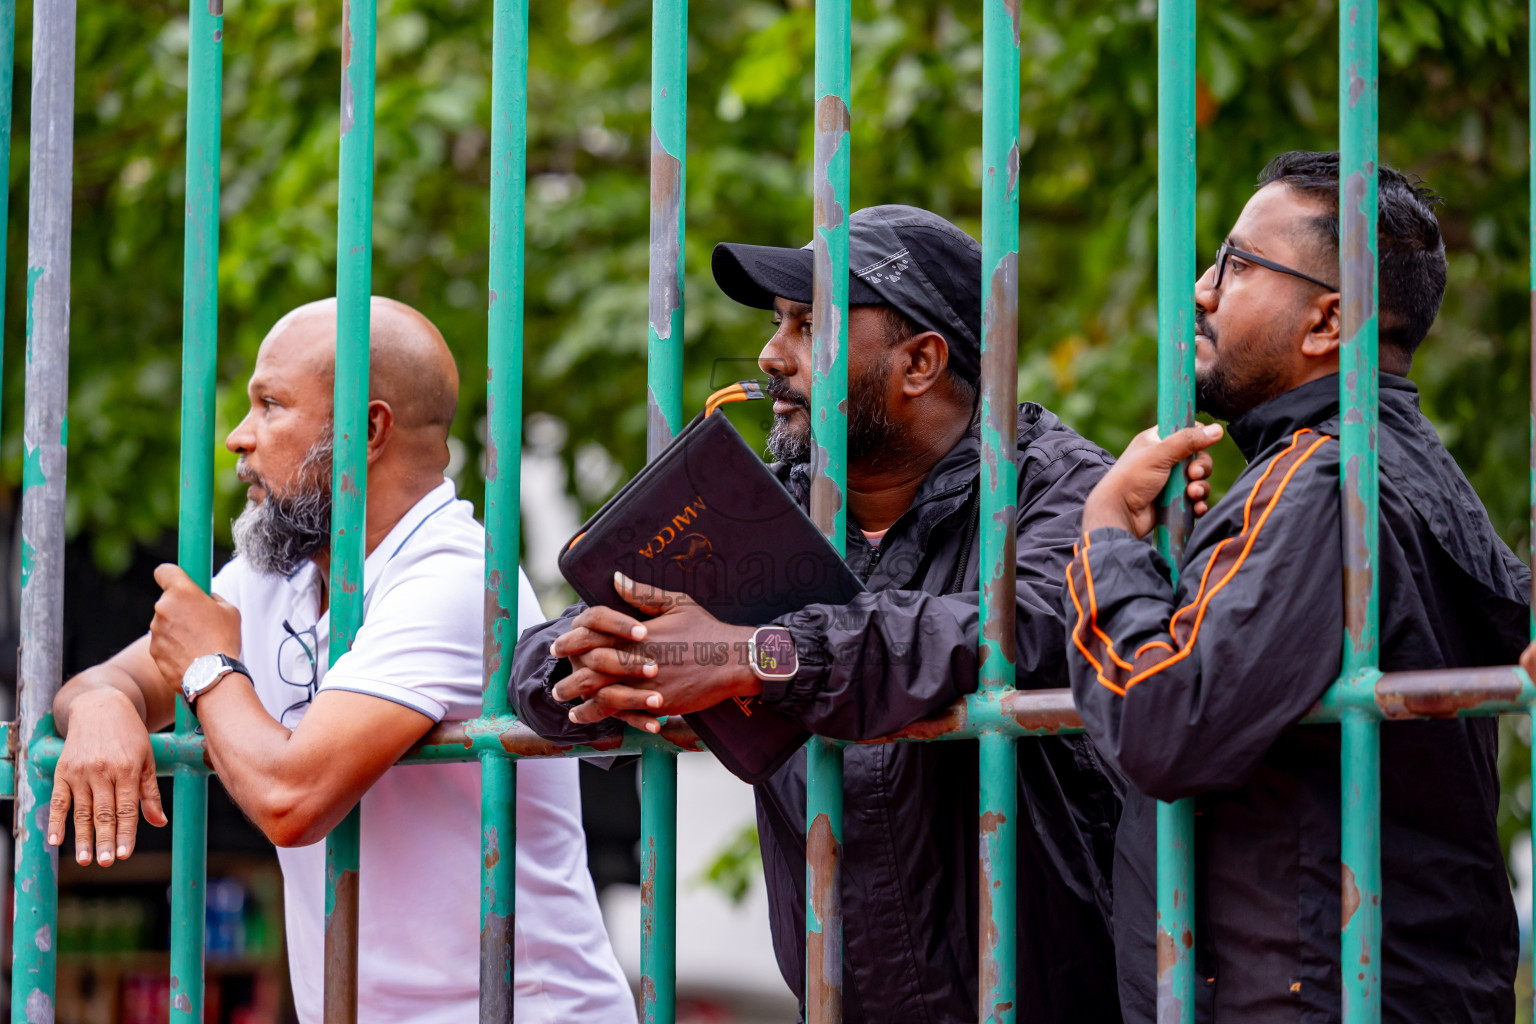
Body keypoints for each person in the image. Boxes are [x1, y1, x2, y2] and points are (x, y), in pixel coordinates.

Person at [512, 205, 1125, 1022]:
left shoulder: (1062, 488)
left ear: (920, 362)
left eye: (809, 326)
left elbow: (1010, 630)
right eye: (776, 324)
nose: (771, 355)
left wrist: (757, 657)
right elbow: (540, 662)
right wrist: (597, 666)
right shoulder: (761, 505)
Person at [47, 298, 635, 1024]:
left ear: (368, 428)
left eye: (270, 405)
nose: (238, 437)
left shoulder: (457, 576)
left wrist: (205, 668)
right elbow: (113, 677)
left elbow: (292, 800)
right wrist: (105, 705)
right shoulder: (279, 573)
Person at [1066, 151, 1528, 1022]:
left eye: (1236, 266)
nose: (1202, 291)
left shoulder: (1324, 479)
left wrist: (1102, 537)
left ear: (1329, 321)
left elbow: (1163, 717)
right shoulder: (1396, 467)